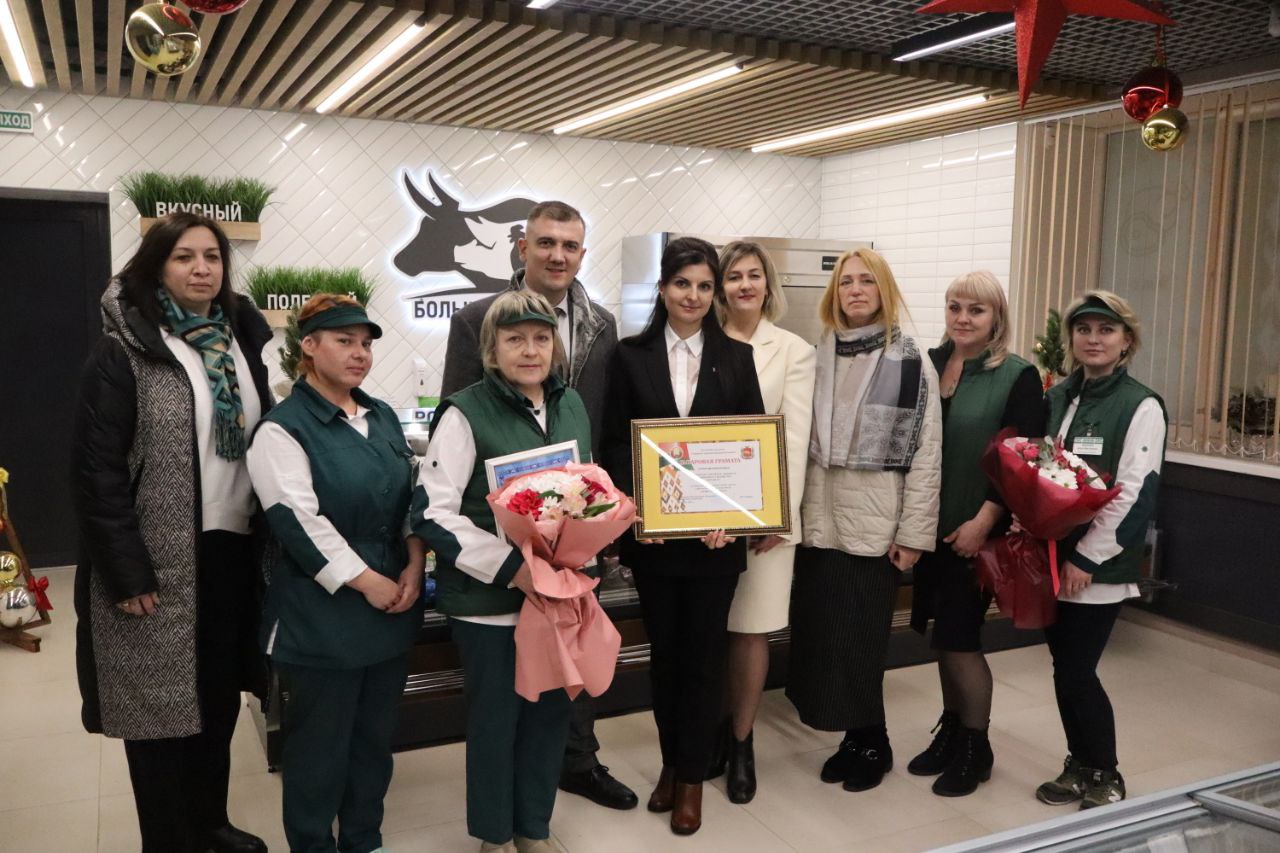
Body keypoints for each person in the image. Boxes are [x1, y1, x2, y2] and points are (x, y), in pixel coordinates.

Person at [71, 212, 272, 853]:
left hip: (232, 550)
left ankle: (209, 822)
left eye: (211, 257)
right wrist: (125, 571)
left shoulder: (238, 342)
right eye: (184, 257)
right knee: (156, 711)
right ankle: (167, 839)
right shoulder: (125, 350)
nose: (201, 269)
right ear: (156, 267)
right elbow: (96, 470)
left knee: (216, 697)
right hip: (156, 558)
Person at [440, 200, 633, 811]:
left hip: (571, 545)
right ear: (523, 247)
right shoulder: (477, 318)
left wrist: (601, 526)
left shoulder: (601, 323)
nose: (558, 255)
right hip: (500, 554)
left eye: (570, 245)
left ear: (582, 253)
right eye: (546, 243)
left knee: (565, 684)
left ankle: (576, 765)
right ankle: (501, 822)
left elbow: (599, 431)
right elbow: (462, 417)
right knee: (504, 704)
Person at [414, 290, 593, 853]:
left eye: (541, 338)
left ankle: (533, 829)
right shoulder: (464, 412)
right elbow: (432, 513)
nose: (530, 350)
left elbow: (585, 491)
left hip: (555, 597)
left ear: (556, 346)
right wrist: (513, 569)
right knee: (496, 725)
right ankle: (494, 837)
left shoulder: (571, 403)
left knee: (548, 719)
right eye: (515, 339)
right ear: (491, 349)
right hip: (491, 602)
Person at [246, 293, 424, 852]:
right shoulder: (281, 430)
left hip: (393, 604)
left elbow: (412, 496)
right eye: (344, 341)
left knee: (373, 742)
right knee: (318, 750)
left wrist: (415, 562)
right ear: (309, 346)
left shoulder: (382, 416)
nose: (360, 354)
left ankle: (364, 839)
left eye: (366, 344)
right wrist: (368, 581)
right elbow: (297, 522)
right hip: (322, 615)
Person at [601, 236, 766, 835]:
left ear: (714, 293)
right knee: (665, 661)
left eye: (703, 286)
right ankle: (672, 765)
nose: (693, 296)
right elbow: (613, 442)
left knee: (704, 660)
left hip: (716, 543)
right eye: (682, 284)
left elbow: (751, 444)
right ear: (663, 289)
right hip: (655, 541)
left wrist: (737, 516)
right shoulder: (629, 356)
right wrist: (636, 509)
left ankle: (692, 779)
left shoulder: (737, 358)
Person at [786, 247, 942, 793]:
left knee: (861, 643)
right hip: (817, 523)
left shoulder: (911, 361)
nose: (855, 290)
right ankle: (851, 740)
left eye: (867, 281)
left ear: (884, 291)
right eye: (847, 282)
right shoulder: (817, 355)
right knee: (825, 641)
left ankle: (874, 742)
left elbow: (927, 455)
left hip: (876, 528)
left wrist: (914, 534)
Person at [907, 271, 1044, 797]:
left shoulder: (1016, 376)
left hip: (978, 530)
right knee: (942, 636)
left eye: (976, 310)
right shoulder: (929, 364)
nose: (963, 318)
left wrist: (983, 522)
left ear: (996, 318)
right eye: (955, 307)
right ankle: (952, 729)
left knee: (961, 637)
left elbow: (1021, 462)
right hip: (929, 527)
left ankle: (976, 745)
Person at [1034, 291, 1166, 811]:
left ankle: (1105, 772)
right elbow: (1042, 470)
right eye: (1083, 329)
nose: (1093, 339)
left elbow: (1135, 492)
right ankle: (1079, 763)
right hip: (1052, 555)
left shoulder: (1141, 405)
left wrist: (1087, 557)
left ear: (1126, 340)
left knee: (1076, 669)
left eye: (1106, 330)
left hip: (1096, 564)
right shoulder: (1059, 396)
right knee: (1063, 666)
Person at [707, 241, 815, 804]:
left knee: (750, 630)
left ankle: (742, 741)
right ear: (719, 286)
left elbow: (795, 438)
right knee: (708, 629)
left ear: (768, 285)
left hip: (765, 518)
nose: (744, 285)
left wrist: (778, 516)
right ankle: (708, 734)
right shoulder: (699, 341)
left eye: (754, 275)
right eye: (733, 276)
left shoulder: (793, 350)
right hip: (702, 513)